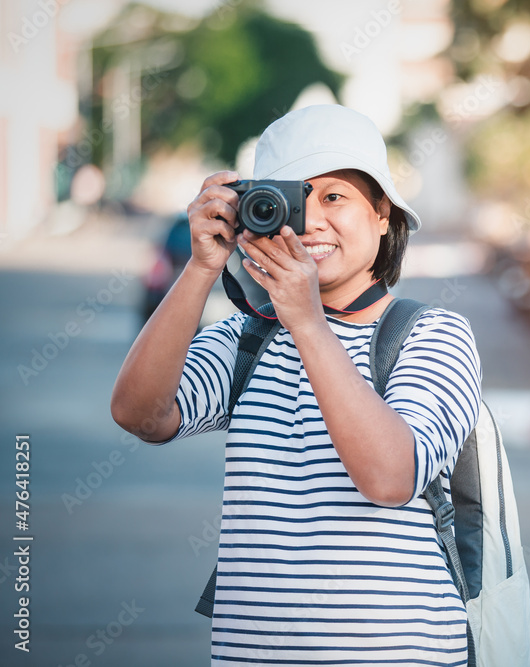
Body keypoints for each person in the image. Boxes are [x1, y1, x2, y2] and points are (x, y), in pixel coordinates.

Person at [111, 104, 481, 665]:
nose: (310, 221)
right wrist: (202, 268)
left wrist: (307, 320)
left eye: (335, 197)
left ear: (383, 215)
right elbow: (140, 414)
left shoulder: (432, 335)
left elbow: (389, 476)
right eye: (292, 199)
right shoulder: (246, 340)